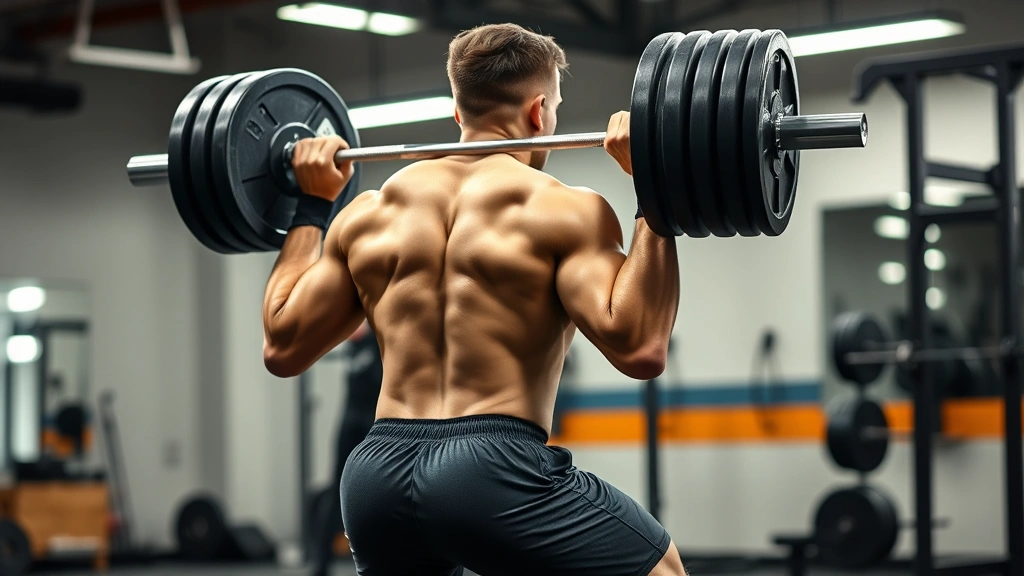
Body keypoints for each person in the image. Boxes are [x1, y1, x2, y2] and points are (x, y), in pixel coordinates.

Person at [262, 22, 684, 576]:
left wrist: (312, 207)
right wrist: (656, 188)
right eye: (554, 108)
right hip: (490, 469)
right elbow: (641, 346)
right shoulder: (564, 209)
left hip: (376, 473)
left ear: (458, 113)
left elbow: (282, 344)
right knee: (662, 569)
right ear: (539, 112)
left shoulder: (366, 215)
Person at [311, 320, 381, 576]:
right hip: (349, 421)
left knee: (378, 492)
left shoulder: (381, 336)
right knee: (335, 490)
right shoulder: (353, 345)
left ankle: (381, 560)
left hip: (374, 424)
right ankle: (320, 564)